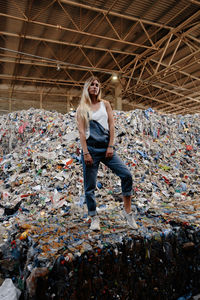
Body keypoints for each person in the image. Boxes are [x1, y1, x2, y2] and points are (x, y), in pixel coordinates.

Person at [76, 76, 138, 231]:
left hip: (106, 148)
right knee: (89, 187)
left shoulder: (106, 104)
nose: (95, 87)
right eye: (92, 85)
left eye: (97, 85)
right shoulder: (81, 108)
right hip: (90, 149)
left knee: (126, 175)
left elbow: (111, 125)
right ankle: (94, 217)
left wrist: (110, 145)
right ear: (87, 88)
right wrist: (85, 153)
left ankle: (127, 212)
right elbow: (82, 132)